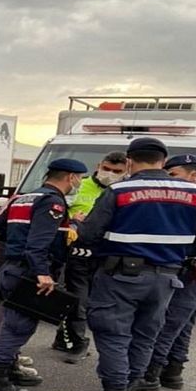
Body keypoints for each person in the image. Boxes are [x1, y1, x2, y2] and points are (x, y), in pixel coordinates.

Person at [76, 139, 196, 391]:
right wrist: (192, 256)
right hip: (167, 277)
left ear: (129, 161)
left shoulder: (120, 189)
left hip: (119, 275)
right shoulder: (194, 193)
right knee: (145, 335)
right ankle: (126, 386)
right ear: (163, 162)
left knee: (114, 334)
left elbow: (89, 234)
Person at [0, 158, 87, 391]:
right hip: (29, 272)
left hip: (11, 268)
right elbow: (38, 244)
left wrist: (17, 242)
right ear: (70, 177)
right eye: (80, 178)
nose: (79, 182)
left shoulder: (22, 198)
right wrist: (42, 274)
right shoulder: (53, 202)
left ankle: (9, 370)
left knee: (12, 322)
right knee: (17, 328)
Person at [133, 154, 196, 391]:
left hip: (194, 270)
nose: (168, 180)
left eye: (173, 175)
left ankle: (151, 375)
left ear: (193, 176)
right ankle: (173, 371)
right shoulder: (186, 198)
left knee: (168, 322)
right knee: (183, 321)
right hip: (187, 267)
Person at [52, 151, 127, 360]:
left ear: (126, 171)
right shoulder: (79, 185)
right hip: (78, 250)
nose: (110, 174)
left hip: (108, 254)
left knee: (99, 303)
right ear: (99, 165)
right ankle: (77, 342)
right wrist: (72, 218)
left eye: (117, 171)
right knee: (78, 299)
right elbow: (55, 210)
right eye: (107, 169)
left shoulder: (123, 191)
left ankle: (64, 337)